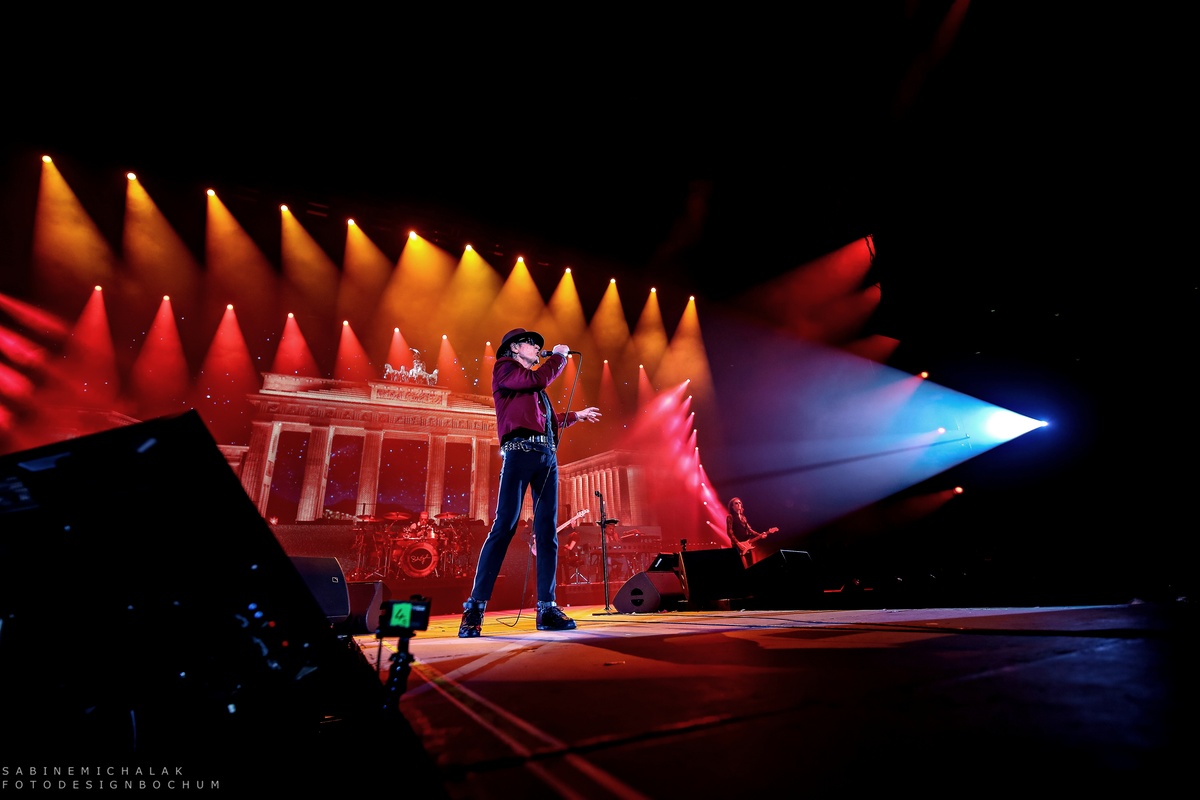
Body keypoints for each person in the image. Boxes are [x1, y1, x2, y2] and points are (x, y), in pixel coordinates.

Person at [459, 327, 602, 637]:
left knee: (547, 532)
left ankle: (547, 608)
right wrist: (560, 357)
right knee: (505, 526)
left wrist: (575, 416)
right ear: (514, 348)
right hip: (519, 453)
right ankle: (474, 608)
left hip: (546, 457)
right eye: (531, 343)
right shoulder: (505, 369)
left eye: (539, 345)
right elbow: (537, 379)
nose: (538, 348)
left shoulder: (534, 389)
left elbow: (545, 421)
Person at [726, 497, 778, 567]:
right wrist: (738, 543)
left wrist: (760, 535)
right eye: (736, 503)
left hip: (747, 544)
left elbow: (750, 530)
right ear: (732, 507)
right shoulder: (730, 517)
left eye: (740, 503)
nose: (739, 504)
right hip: (737, 545)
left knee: (750, 564)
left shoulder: (743, 517)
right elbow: (730, 532)